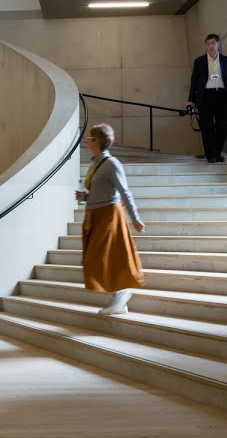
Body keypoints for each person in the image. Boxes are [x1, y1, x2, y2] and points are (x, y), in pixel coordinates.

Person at [74, 123, 146, 316]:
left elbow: (125, 193)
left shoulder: (112, 163)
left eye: (90, 137)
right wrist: (85, 196)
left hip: (108, 215)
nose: (87, 140)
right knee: (95, 258)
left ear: (97, 141)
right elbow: (99, 190)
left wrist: (135, 219)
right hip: (95, 214)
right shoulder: (96, 164)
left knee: (102, 257)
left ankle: (121, 294)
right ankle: (119, 298)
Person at [185, 33, 227, 163]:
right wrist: (190, 99)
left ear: (218, 44)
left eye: (213, 43)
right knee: (207, 128)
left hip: (222, 96)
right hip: (205, 97)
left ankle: (217, 151)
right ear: (206, 46)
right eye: (208, 44)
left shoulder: (226, 60)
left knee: (222, 128)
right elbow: (194, 82)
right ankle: (211, 155)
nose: (210, 46)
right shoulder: (199, 62)